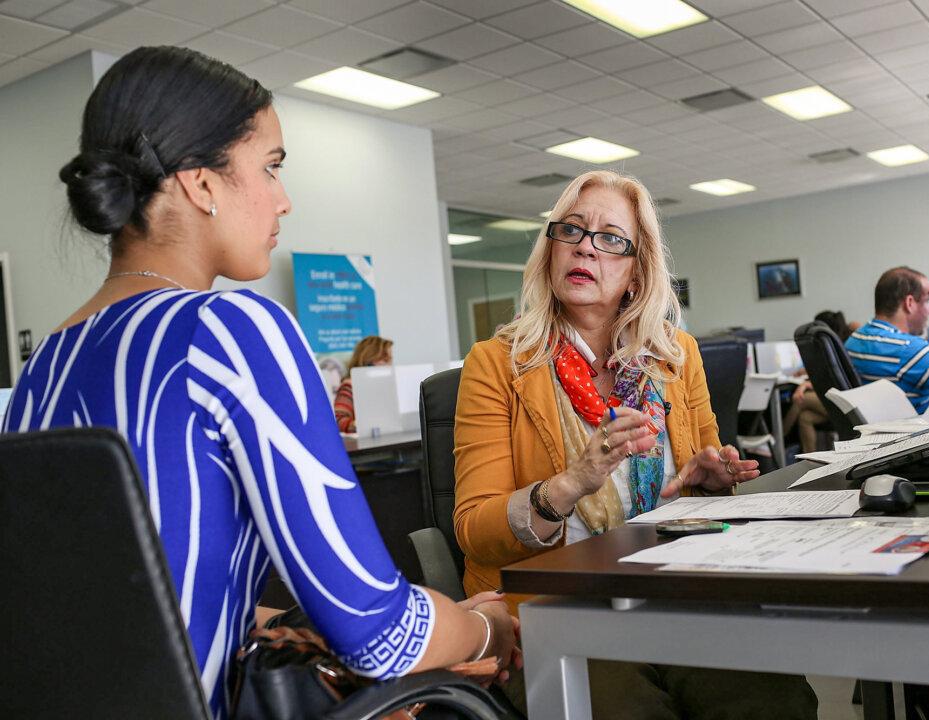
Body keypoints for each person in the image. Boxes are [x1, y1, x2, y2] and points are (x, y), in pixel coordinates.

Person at [1, 46, 517, 718]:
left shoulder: (43, 366)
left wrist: (280, 623)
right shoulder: (230, 331)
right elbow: (383, 636)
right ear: (200, 182)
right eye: (270, 167)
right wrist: (487, 626)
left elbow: (123, 608)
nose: (284, 199)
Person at [453, 170, 818, 719]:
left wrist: (710, 483)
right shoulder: (497, 364)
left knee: (773, 698)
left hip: (672, 589)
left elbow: (709, 500)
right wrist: (570, 484)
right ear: (550, 250)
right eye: (571, 231)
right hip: (558, 606)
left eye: (610, 239)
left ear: (636, 270)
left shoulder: (676, 357)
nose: (585, 247)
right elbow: (475, 532)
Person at [845, 267, 929, 413]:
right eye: (927, 301)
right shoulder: (907, 349)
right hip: (925, 432)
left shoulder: (855, 339)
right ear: (910, 303)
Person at [783, 311, 853, 453]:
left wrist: (804, 385)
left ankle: (778, 440)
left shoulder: (843, 347)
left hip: (844, 401)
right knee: (805, 418)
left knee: (800, 400)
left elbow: (833, 384)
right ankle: (811, 460)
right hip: (836, 399)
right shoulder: (835, 347)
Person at [334, 335, 393, 433]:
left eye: (390, 360)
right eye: (386, 360)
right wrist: (362, 424)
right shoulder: (350, 386)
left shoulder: (387, 386)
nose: (390, 365)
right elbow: (338, 421)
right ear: (369, 360)